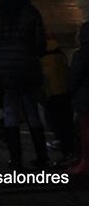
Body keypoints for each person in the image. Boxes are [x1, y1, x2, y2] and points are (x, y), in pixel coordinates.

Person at [0, 0, 49, 169]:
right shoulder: (31, 13)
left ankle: (16, 160)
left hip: (5, 68)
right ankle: (42, 157)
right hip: (27, 66)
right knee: (32, 110)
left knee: (10, 112)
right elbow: (40, 42)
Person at [40, 30, 75, 167]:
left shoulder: (40, 53)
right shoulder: (57, 52)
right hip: (63, 90)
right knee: (65, 122)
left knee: (55, 121)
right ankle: (67, 148)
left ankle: (66, 149)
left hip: (50, 92)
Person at [69, 21, 89, 174]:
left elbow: (74, 78)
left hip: (85, 101)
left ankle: (85, 162)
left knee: (85, 133)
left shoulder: (81, 55)